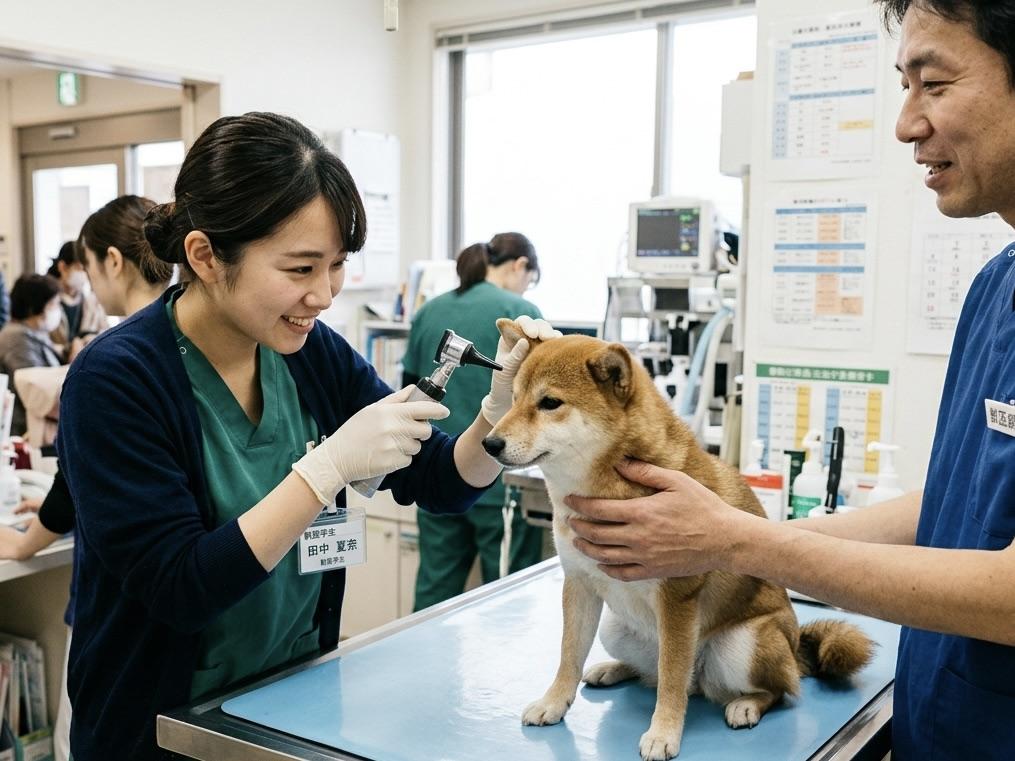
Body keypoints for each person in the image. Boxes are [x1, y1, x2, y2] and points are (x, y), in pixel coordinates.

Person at [565, 3, 1015, 759]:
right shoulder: (993, 287)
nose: (905, 124)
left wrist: (742, 542)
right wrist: (728, 537)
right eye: (902, 87)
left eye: (932, 84)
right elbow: (952, 505)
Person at [56, 112, 556, 761]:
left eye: (337, 265)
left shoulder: (308, 352)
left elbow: (442, 482)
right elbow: (178, 586)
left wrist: (497, 412)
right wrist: (323, 470)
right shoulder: (116, 381)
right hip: (155, 729)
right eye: (299, 268)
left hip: (285, 705)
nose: (322, 294)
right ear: (205, 255)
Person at [0, 194, 174, 761]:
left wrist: (24, 541)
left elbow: (75, 482)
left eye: (90, 267)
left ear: (112, 263)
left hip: (118, 615)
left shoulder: (112, 360)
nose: (87, 285)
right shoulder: (197, 343)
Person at [404, 234, 545, 611]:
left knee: (434, 593)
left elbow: (408, 390)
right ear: (519, 267)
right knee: (508, 598)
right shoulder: (521, 313)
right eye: (530, 277)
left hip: (432, 471)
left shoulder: (429, 311)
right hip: (497, 484)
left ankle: (425, 669)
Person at [0, 274, 64, 436]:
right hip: (24, 431)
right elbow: (35, 387)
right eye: (53, 305)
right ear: (34, 307)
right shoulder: (16, 338)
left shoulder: (34, 333)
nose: (58, 311)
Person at [47, 240, 108, 350]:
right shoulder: (47, 301)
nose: (84, 274)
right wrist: (68, 350)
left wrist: (91, 339)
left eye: (87, 269)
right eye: (80, 268)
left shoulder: (92, 301)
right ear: (63, 267)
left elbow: (105, 333)